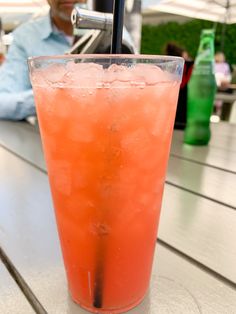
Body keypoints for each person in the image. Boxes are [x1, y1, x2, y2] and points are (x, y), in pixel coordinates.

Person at [0, 0, 134, 121]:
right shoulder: (26, 36)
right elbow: (3, 102)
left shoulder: (115, 29)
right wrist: (54, 94)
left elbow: (137, 92)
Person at [165, 42, 194, 129]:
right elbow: (184, 80)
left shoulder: (171, 62)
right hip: (182, 89)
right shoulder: (183, 64)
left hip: (175, 88)